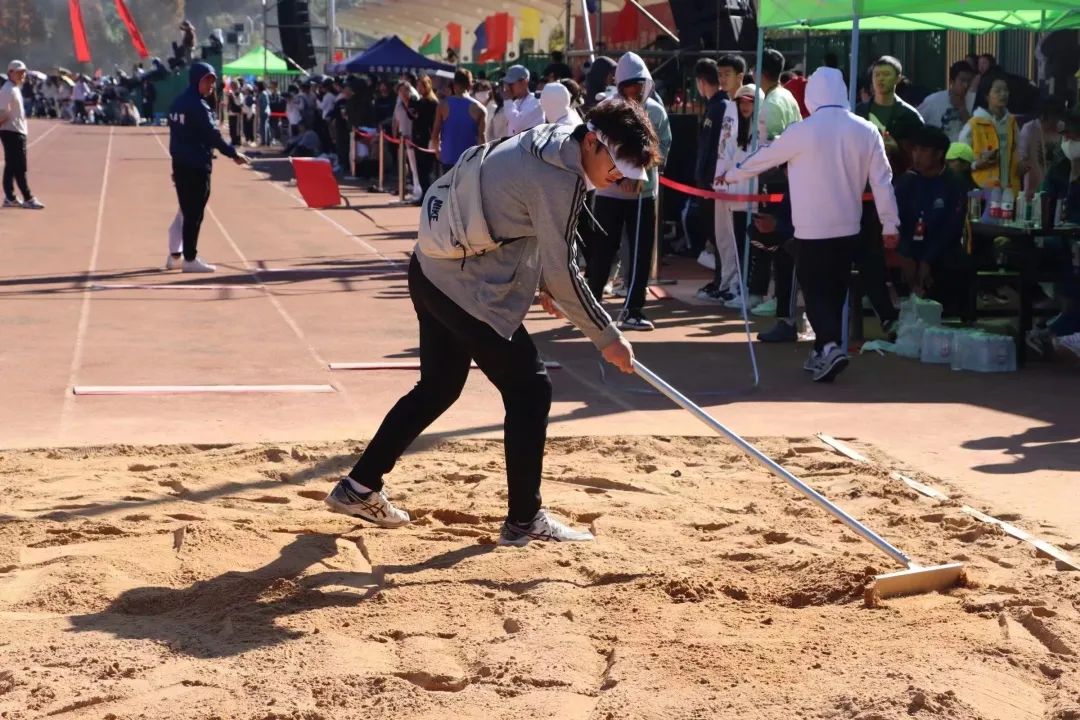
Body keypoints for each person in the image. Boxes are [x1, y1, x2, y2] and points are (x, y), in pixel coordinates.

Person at [322, 99, 657, 544]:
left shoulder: (555, 140)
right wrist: (606, 335)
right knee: (530, 390)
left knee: (439, 386)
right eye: (617, 168)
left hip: (430, 270)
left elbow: (534, 224)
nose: (619, 180)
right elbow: (562, 267)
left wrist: (548, 285)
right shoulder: (560, 176)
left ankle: (359, 486)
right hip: (465, 287)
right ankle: (524, 520)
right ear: (593, 142)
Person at [718, 67, 900, 383]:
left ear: (813, 95)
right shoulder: (866, 130)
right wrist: (890, 225)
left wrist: (730, 175)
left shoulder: (802, 131)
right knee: (835, 290)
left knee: (815, 291)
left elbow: (764, 157)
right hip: (848, 227)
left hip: (810, 229)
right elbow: (883, 181)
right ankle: (823, 349)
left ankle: (828, 346)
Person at [583, 52, 672, 331]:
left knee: (640, 252)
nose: (634, 90)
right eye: (629, 85)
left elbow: (663, 147)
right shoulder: (606, 110)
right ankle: (592, 307)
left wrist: (643, 172)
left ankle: (634, 309)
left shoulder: (656, 112)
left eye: (639, 84)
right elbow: (593, 146)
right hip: (609, 194)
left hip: (644, 196)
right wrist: (618, 176)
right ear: (620, 85)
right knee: (602, 250)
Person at [855, 56, 923, 337]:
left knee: (903, 250)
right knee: (869, 253)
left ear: (898, 78)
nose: (881, 79)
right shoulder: (859, 112)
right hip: (865, 196)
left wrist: (897, 148)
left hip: (900, 194)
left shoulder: (909, 116)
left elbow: (922, 158)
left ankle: (912, 307)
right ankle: (884, 312)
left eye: (886, 74)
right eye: (877, 75)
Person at [166, 62, 249, 273]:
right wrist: (233, 154)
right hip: (196, 165)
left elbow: (176, 137)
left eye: (213, 81)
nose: (211, 85)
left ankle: (175, 255)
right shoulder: (198, 106)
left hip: (181, 163)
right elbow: (213, 136)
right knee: (193, 214)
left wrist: (175, 165)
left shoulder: (177, 103)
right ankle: (190, 258)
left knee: (185, 211)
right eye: (207, 81)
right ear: (197, 80)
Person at [894, 125, 968, 314]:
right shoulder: (906, 182)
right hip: (910, 249)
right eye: (915, 150)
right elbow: (897, 221)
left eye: (924, 150)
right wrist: (906, 254)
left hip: (941, 250)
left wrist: (927, 260)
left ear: (938, 154)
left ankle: (955, 315)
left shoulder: (954, 183)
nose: (917, 156)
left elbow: (952, 228)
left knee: (957, 262)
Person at [691, 58, 732, 302]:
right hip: (708, 181)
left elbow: (715, 149)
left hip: (713, 183)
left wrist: (708, 180)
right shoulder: (716, 106)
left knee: (720, 236)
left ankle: (722, 281)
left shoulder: (721, 106)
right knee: (714, 234)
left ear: (701, 82)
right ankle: (720, 278)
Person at [959, 70, 1021, 192]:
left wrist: (1021, 164)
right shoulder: (974, 124)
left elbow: (1018, 151)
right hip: (983, 191)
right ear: (987, 96)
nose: (1003, 94)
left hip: (1009, 191)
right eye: (998, 91)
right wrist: (977, 164)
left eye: (1006, 90)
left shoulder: (1012, 122)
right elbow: (960, 161)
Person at [1, 60, 44, 209]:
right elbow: (2, 112)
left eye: (24, 72)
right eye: (19, 72)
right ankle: (28, 197)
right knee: (19, 166)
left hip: (14, 131)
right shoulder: (8, 90)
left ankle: (10, 197)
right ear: (10, 73)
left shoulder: (13, 88)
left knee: (11, 166)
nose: (22, 75)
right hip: (12, 132)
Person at [431, 69, 486, 172]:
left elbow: (435, 134)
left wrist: (438, 152)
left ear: (454, 85)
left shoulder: (442, 105)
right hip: (469, 160)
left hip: (448, 158)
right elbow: (481, 138)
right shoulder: (480, 109)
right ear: (470, 85)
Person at [1018, 97, 1065, 198]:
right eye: (1054, 117)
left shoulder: (1062, 129)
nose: (1056, 121)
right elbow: (1020, 159)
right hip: (1033, 191)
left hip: (1058, 190)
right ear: (1043, 116)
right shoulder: (1029, 129)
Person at [917, 61, 975, 142]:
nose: (966, 85)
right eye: (962, 80)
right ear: (951, 81)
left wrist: (962, 110)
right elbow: (916, 124)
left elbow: (975, 134)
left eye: (969, 81)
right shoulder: (933, 101)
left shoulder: (974, 103)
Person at [409, 75, 439, 200]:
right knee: (421, 170)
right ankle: (424, 195)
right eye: (418, 86)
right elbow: (414, 116)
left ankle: (428, 197)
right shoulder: (421, 101)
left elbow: (430, 122)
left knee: (427, 170)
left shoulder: (431, 102)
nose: (419, 88)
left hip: (427, 139)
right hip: (419, 139)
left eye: (422, 86)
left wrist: (434, 139)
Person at [502, 65, 544, 137]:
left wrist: (507, 100)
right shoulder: (515, 103)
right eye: (507, 84)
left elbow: (517, 125)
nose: (508, 88)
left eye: (511, 84)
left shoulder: (536, 102)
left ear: (524, 82)